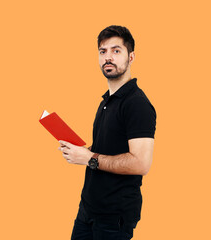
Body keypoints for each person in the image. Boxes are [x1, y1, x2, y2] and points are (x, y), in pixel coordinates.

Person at [58, 25, 157, 240]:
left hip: (114, 217)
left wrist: (89, 158)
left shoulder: (137, 104)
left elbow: (141, 163)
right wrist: (80, 151)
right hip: (87, 210)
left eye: (116, 51)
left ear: (131, 57)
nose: (108, 57)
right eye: (103, 52)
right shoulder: (106, 101)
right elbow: (108, 148)